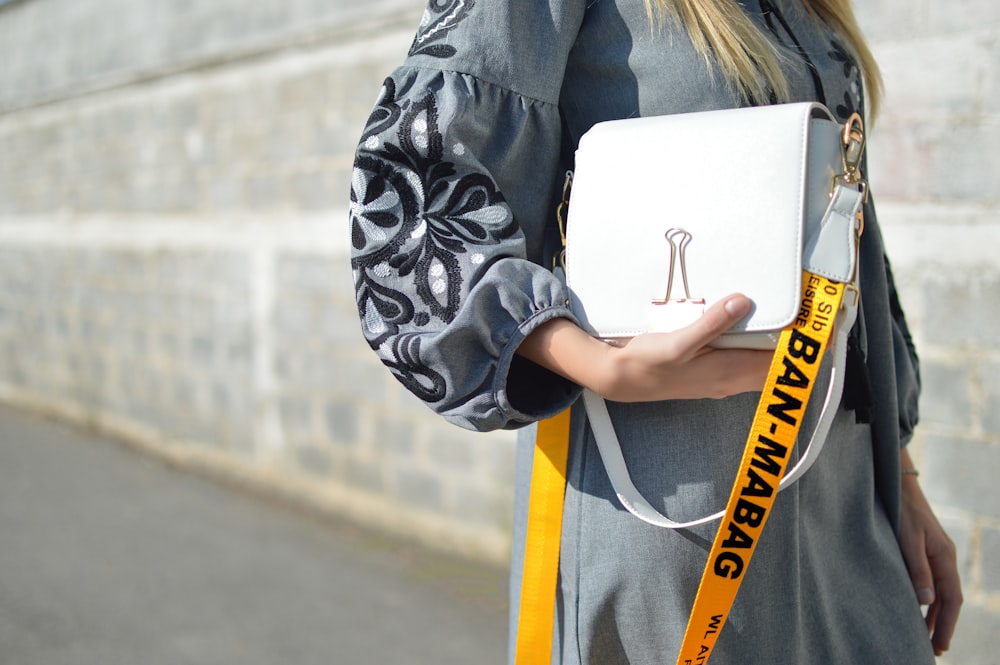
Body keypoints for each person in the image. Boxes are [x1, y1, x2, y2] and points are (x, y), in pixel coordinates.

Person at [348, 0, 962, 662]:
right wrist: (596, 362)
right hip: (667, 507)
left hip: (844, 513)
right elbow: (408, 204)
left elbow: (846, 239)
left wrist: (898, 474)